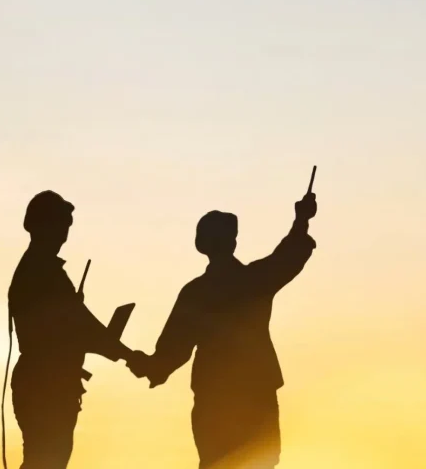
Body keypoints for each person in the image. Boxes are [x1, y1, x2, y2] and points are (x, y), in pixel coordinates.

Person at [130, 190, 317, 469]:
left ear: (201, 244)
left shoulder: (196, 292)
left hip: (216, 397)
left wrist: (150, 366)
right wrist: (301, 220)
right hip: (253, 393)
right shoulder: (253, 281)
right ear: (233, 240)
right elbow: (288, 256)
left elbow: (172, 351)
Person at [7, 190, 145, 469]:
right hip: (46, 388)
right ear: (41, 225)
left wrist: (113, 347)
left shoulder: (42, 270)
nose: (64, 235)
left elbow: (76, 327)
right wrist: (126, 353)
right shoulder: (44, 273)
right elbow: (79, 326)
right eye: (60, 226)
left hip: (47, 384)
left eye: (66, 228)